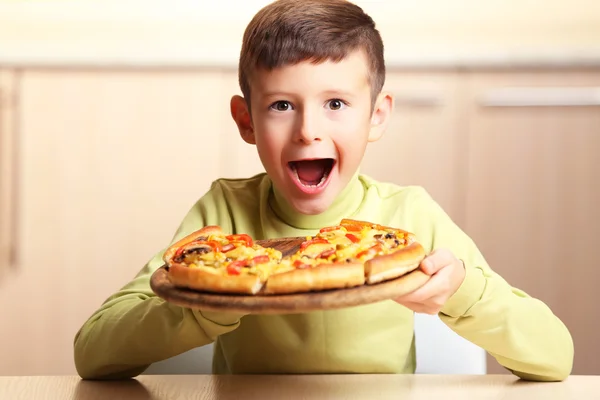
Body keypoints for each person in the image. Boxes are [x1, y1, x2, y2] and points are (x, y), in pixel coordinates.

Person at [73, 0, 573, 381]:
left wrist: (462, 291)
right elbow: (92, 353)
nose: (308, 130)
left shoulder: (405, 217)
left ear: (376, 116)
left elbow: (555, 356)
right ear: (246, 121)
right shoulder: (223, 218)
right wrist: (201, 309)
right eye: (282, 106)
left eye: (335, 103)